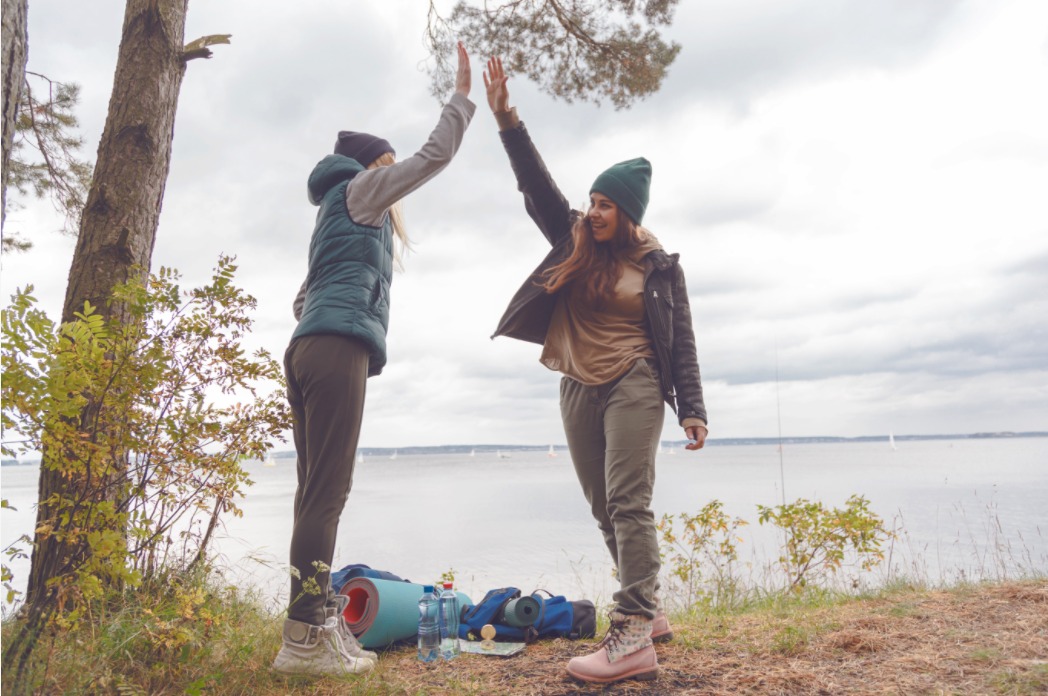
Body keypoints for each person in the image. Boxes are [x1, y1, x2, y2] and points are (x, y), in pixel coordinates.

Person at [483, 56, 708, 685]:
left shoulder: (659, 265)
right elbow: (536, 186)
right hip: (577, 382)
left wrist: (691, 406)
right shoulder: (574, 238)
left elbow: (681, 340)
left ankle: (633, 632)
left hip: (634, 380)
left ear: (629, 212)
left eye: (607, 204)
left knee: (630, 503)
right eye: (593, 200)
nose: (595, 210)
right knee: (602, 507)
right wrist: (507, 117)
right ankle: (652, 607)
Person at [272, 43, 476, 677]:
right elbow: (434, 156)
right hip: (336, 350)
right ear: (370, 166)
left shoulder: (335, 208)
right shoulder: (361, 189)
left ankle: (306, 630)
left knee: (313, 495)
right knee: (328, 493)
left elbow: (303, 295)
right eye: (388, 167)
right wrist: (462, 100)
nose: (396, 180)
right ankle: (305, 640)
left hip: (307, 346)